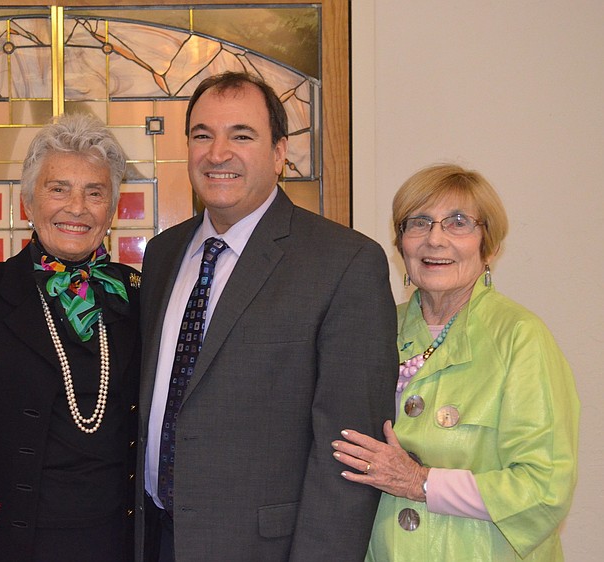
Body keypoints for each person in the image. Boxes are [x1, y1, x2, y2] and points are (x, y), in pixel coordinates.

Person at [136, 71, 398, 561]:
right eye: (202, 135)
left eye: (241, 135)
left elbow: (350, 458)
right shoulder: (163, 254)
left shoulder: (345, 263)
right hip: (155, 541)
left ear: (280, 153)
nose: (218, 153)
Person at [332, 164, 579, 560]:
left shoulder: (520, 337)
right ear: (400, 245)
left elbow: (544, 488)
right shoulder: (370, 328)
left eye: (458, 222)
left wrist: (421, 482)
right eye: (419, 222)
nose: (435, 239)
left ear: (489, 245)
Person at [0, 114, 140, 561]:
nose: (77, 207)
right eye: (58, 188)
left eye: (95, 192)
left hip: (118, 541)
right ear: (29, 201)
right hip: (13, 544)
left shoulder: (138, 294)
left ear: (112, 208)